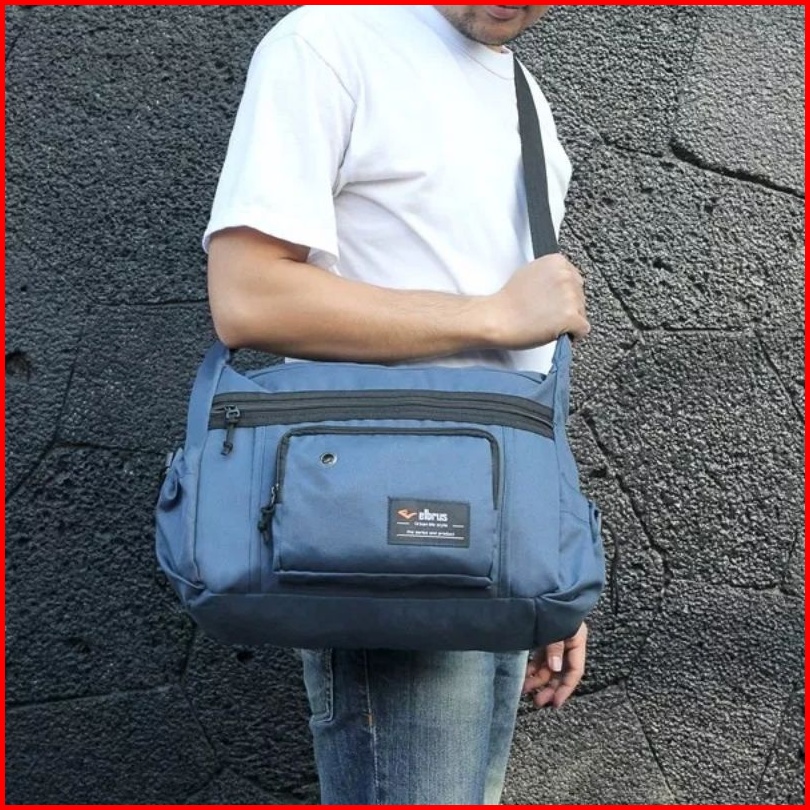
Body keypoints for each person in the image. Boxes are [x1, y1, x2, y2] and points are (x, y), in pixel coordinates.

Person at [203, 5, 590, 805]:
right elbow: (247, 297)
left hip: (499, 544)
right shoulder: (330, 43)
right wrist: (491, 314)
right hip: (385, 534)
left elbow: (515, 370)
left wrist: (547, 561)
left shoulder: (526, 100)